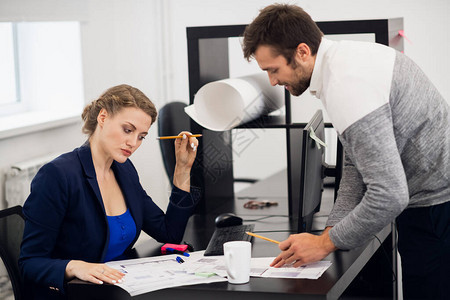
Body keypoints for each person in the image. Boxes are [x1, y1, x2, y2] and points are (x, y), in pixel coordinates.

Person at [243, 4, 449, 299]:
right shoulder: (344, 62)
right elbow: (354, 162)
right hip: (432, 201)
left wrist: (325, 243)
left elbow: (390, 194)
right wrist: (332, 231)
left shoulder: (346, 84)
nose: (273, 82)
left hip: (436, 209)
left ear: (302, 52)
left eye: (273, 70)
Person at [19, 84, 200, 299]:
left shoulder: (124, 170)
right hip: (79, 293)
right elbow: (29, 263)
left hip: (120, 287)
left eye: (141, 136)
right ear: (103, 117)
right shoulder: (58, 175)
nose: (133, 143)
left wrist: (182, 169)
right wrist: (74, 267)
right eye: (127, 130)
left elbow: (169, 233)